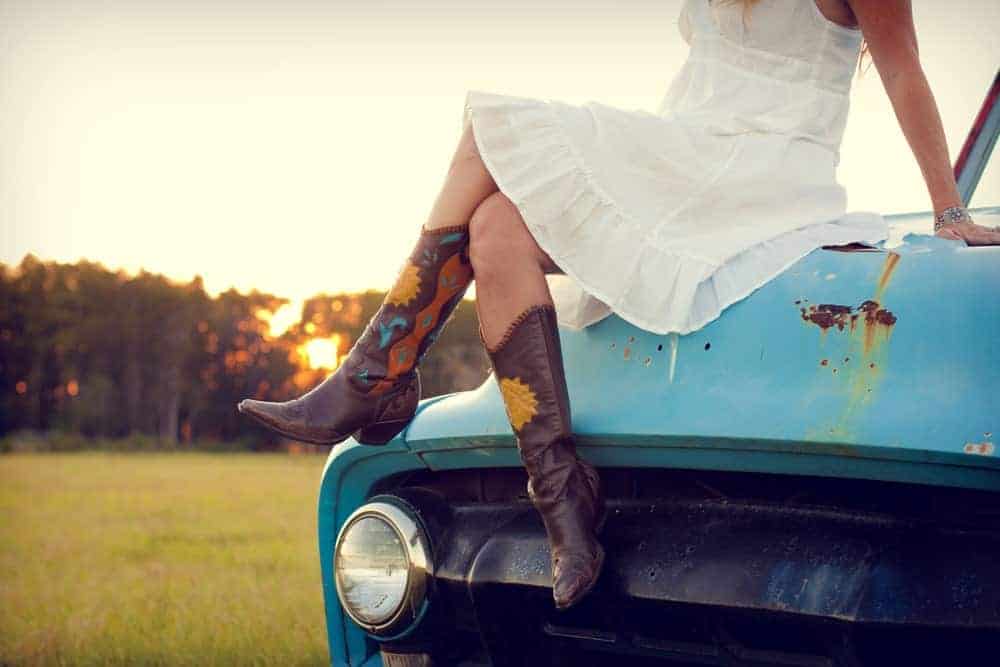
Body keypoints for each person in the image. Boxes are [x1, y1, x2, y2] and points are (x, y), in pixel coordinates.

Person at [238, 0, 1000, 611]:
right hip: (685, 151)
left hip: (763, 171)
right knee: (496, 226)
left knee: (487, 127)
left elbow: (904, 71)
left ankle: (378, 369)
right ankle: (566, 504)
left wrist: (948, 213)